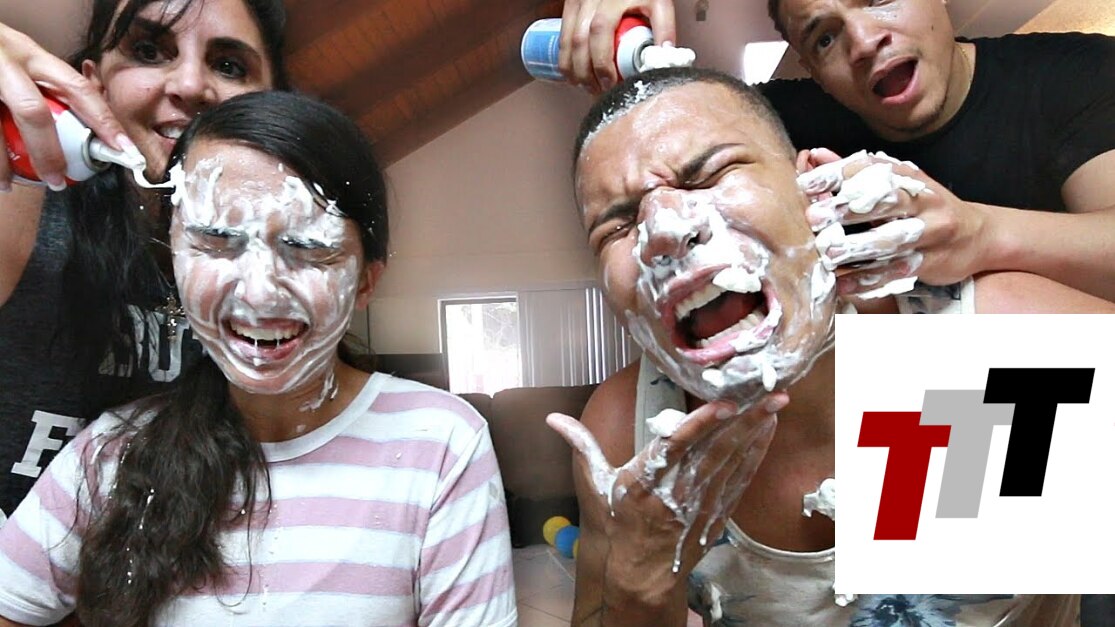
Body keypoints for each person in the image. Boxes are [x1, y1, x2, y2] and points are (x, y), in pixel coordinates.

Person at [546, 66, 1110, 626]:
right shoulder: (624, 436)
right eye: (615, 227)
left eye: (710, 174)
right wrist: (637, 589)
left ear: (812, 186)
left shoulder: (1008, 345)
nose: (665, 231)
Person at [0, 90, 518, 626]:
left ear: (366, 279)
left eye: (308, 248)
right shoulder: (112, 453)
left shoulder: (440, 444)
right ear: (173, 257)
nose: (260, 293)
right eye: (216, 241)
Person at [555, 0, 1115, 304]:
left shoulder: (1076, 74)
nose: (865, 42)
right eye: (825, 37)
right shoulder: (787, 122)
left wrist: (979, 235)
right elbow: (674, 106)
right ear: (811, 69)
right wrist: (623, 34)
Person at [0, 0, 288, 524]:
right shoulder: (21, 203)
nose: (191, 85)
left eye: (229, 66)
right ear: (92, 84)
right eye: (150, 51)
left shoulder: (288, 268)